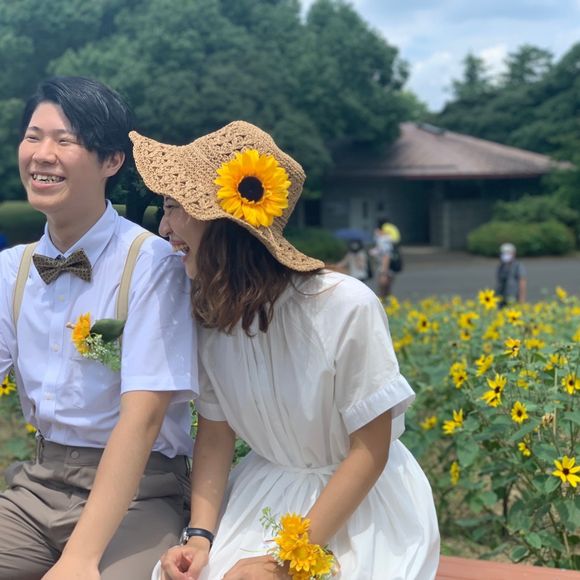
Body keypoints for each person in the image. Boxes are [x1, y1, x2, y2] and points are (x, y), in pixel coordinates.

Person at [130, 120, 440, 580]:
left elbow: (370, 451)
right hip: (264, 490)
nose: (163, 227)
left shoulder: (344, 305)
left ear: (223, 221)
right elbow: (215, 433)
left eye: (174, 207)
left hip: (361, 508)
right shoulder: (212, 316)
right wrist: (199, 537)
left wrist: (285, 562)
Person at [0, 77, 197, 579]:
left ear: (111, 160)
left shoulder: (151, 263)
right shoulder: (11, 270)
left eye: (64, 140)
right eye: (33, 137)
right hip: (38, 487)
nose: (42, 155)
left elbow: (144, 418)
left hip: (140, 492)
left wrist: (80, 558)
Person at [372, 218, 401, 298]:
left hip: (385, 268)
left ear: (380, 230)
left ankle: (385, 304)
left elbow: (386, 256)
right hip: (389, 268)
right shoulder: (388, 239)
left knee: (382, 290)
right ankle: (389, 304)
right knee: (387, 290)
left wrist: (383, 273)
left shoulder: (383, 240)